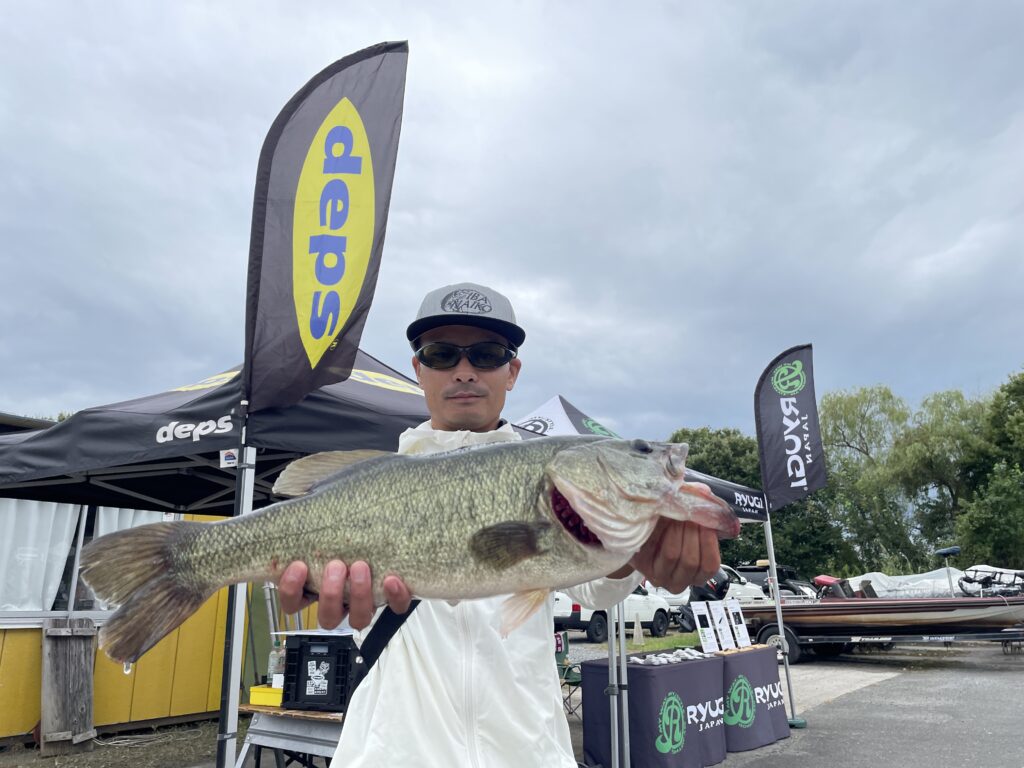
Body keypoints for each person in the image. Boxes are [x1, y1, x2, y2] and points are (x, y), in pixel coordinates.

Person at [277, 282, 721, 768]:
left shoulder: (553, 483)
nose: (464, 370)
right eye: (442, 354)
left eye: (487, 354)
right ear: (419, 370)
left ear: (512, 371)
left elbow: (598, 589)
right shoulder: (375, 483)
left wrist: (634, 553)